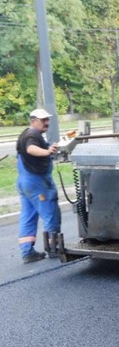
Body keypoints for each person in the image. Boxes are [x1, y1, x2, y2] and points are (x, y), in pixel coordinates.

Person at [16, 108, 61, 263]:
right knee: (50, 212)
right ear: (33, 120)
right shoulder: (32, 135)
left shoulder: (26, 134)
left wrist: (50, 148)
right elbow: (31, 149)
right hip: (37, 183)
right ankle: (53, 247)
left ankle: (27, 252)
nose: (47, 123)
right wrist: (48, 152)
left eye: (47, 119)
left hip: (24, 182)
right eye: (43, 120)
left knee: (28, 216)